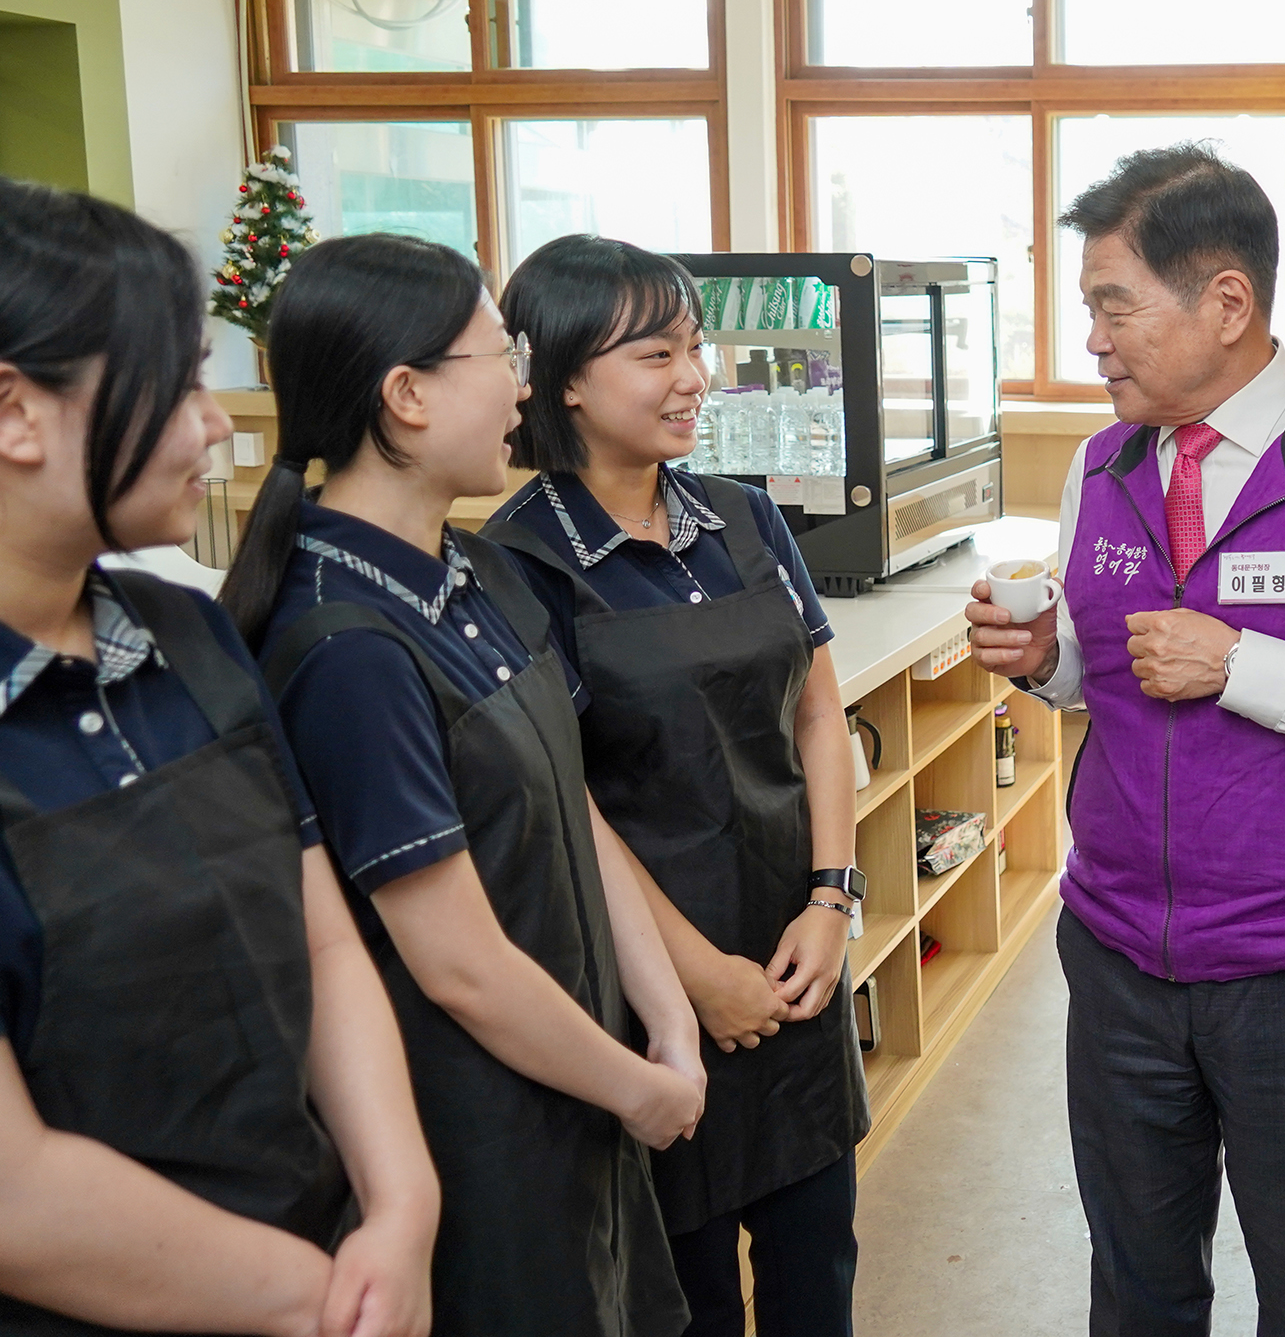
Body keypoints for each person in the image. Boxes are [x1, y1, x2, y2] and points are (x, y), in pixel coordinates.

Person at [965, 144, 1285, 1336]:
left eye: (1111, 305)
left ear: (1226, 302)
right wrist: (1046, 659)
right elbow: (1109, 678)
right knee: (1136, 1285)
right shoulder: (1101, 463)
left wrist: (1239, 664)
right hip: (1115, 957)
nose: (1091, 342)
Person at [218, 233, 705, 1337]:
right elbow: (461, 967)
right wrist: (637, 1087)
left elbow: (570, 804)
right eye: (500, 357)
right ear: (406, 397)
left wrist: (664, 1017)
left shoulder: (468, 567)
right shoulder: (346, 645)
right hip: (484, 1134)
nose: (523, 387)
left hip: (582, 1086)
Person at [0, 179, 438, 1336]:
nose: (221, 423)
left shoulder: (186, 633)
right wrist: (330, 1300)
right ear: (15, 411)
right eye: (183, 379)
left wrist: (402, 1204)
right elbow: (19, 1197)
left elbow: (323, 937)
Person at [487, 235, 869, 1337]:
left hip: (796, 958)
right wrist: (693, 977)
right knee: (685, 1297)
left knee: (818, 1274)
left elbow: (814, 707)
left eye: (694, 347)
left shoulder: (742, 518)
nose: (694, 377)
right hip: (650, 993)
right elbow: (569, 800)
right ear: (562, 377)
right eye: (656, 353)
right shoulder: (520, 563)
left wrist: (831, 897)